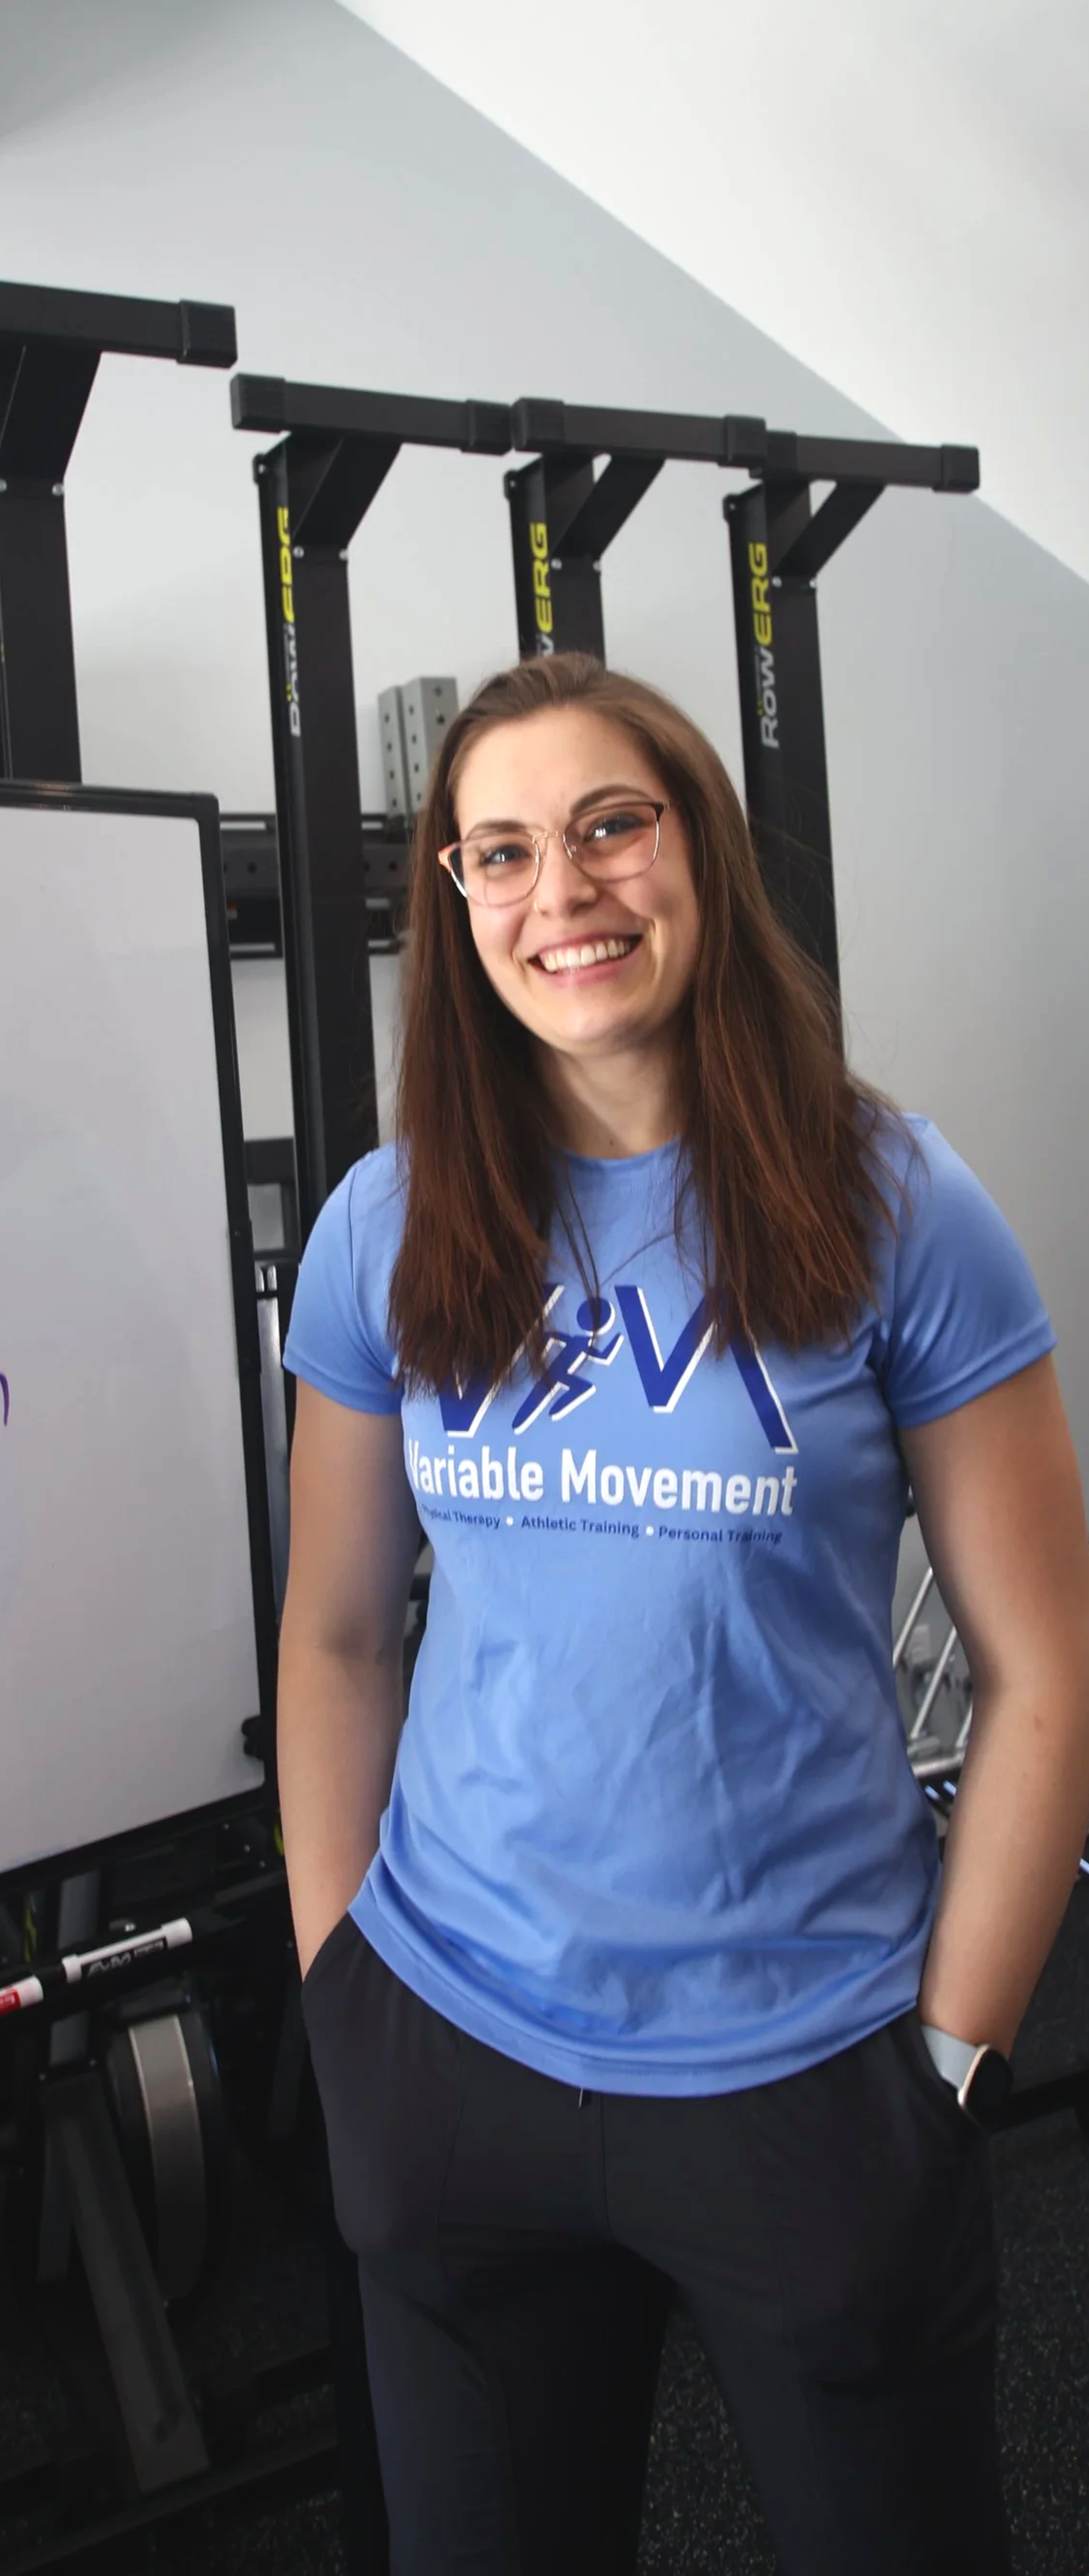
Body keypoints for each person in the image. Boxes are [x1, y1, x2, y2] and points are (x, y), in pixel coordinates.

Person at [277, 653, 1089, 2575]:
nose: (557, 890)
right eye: (497, 852)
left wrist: (954, 2053)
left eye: (607, 825)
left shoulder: (894, 1201)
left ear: (698, 852)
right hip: (451, 2049)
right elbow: (330, 1631)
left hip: (804, 2065)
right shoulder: (385, 1224)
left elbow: (1045, 1663)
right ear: (456, 908)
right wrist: (339, 1994)